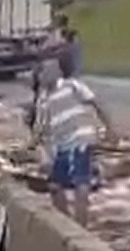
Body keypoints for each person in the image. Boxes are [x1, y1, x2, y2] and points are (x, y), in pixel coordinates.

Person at [34, 58, 113, 226]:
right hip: (62, 145)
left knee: (80, 182)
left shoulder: (72, 86)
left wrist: (110, 129)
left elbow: (96, 103)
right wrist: (35, 148)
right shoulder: (43, 99)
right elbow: (40, 129)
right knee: (55, 185)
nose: (42, 75)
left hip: (81, 139)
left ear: (57, 73)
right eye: (40, 72)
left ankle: (80, 226)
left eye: (45, 71)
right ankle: (67, 223)